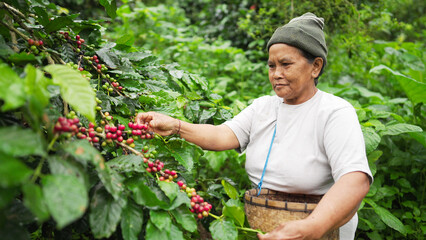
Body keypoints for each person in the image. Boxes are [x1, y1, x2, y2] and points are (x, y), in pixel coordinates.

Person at [136, 12, 372, 240]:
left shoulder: (334, 113)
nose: (276, 74)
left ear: (316, 67)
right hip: (265, 223)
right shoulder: (263, 108)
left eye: (286, 64)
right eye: (271, 66)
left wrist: (310, 228)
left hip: (321, 230)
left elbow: (355, 179)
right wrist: (175, 125)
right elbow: (221, 135)